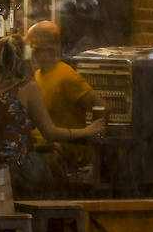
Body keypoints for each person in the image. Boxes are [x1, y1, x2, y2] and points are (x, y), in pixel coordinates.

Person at [0, 34, 105, 197]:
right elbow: (50, 132)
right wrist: (88, 131)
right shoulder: (27, 88)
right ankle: (62, 216)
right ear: (24, 60)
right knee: (58, 172)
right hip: (19, 170)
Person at [28, 20, 100, 174]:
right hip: (42, 150)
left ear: (44, 47)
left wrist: (88, 135)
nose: (29, 52)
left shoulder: (66, 76)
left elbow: (100, 108)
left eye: (31, 46)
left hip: (59, 156)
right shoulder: (38, 75)